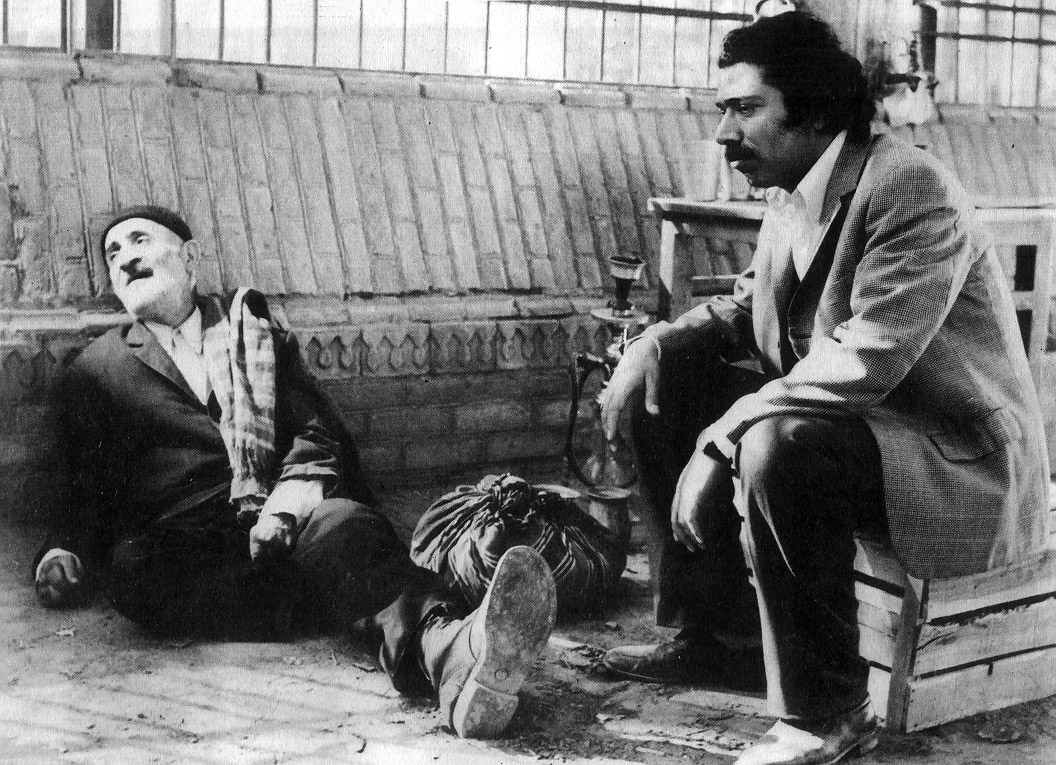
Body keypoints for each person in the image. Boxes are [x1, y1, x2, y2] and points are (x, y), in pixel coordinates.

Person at [600, 11, 1049, 765]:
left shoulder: (910, 186)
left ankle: (829, 714)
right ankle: (715, 637)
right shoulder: (795, 189)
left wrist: (721, 438)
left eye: (746, 109)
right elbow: (750, 309)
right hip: (864, 432)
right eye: (723, 110)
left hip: (946, 455)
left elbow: (869, 358)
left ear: (812, 110)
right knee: (670, 375)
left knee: (777, 441)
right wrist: (656, 342)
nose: (724, 133)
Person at [33, 205, 558, 740]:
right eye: (113, 254)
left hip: (283, 522)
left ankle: (451, 654)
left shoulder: (253, 332)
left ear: (189, 258)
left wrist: (287, 505)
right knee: (134, 568)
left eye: (140, 241)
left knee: (348, 523)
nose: (125, 259)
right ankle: (354, 600)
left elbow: (315, 430)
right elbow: (81, 482)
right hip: (190, 549)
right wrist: (61, 550)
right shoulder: (98, 368)